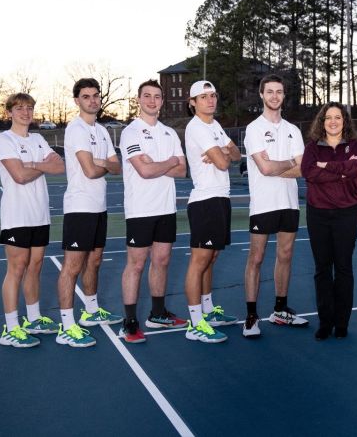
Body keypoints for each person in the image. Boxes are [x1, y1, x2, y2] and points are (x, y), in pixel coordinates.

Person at [0, 93, 64, 347]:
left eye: (30, 108)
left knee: (35, 266)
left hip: (39, 214)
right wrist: (40, 164)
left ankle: (33, 319)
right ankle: (11, 328)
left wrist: (32, 163)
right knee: (17, 268)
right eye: (19, 108)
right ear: (9, 112)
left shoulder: (38, 138)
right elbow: (19, 176)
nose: (25, 112)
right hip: (16, 215)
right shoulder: (3, 140)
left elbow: (59, 167)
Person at [118, 79, 187, 343]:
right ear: (139, 100)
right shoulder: (131, 133)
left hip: (166, 207)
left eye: (157, 96)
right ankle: (130, 322)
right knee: (136, 264)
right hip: (140, 209)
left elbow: (182, 171)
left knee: (162, 261)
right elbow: (144, 171)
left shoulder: (169, 133)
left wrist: (161, 163)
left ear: (162, 101)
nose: (152, 100)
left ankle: (157, 314)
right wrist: (169, 161)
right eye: (147, 96)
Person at [55, 78, 123, 348]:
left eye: (96, 96)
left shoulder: (103, 131)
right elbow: (91, 171)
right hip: (79, 207)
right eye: (86, 96)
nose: (92, 100)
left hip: (99, 205)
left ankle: (91, 311)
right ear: (77, 100)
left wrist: (102, 162)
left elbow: (117, 167)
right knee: (72, 266)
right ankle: (66, 326)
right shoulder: (76, 129)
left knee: (94, 260)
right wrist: (103, 163)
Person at [242, 74, 307, 338]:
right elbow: (265, 168)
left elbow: (302, 169)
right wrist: (288, 163)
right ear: (261, 94)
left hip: (289, 203)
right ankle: (251, 316)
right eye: (270, 92)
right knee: (256, 258)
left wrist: (281, 166)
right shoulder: (254, 129)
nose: (274, 96)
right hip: (263, 204)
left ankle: (280, 310)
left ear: (283, 95)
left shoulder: (293, 130)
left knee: (286, 255)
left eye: (279, 92)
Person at [183, 80, 241, 344]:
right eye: (204, 97)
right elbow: (221, 162)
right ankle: (195, 323)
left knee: (212, 257)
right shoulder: (196, 127)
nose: (210, 100)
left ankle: (208, 311)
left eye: (213, 95)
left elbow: (236, 155)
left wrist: (224, 152)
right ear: (193, 103)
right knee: (199, 261)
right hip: (205, 200)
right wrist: (222, 154)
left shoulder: (215, 126)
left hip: (220, 197)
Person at [301, 103, 357, 340]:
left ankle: (342, 323)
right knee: (322, 269)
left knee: (344, 267)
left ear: (344, 121)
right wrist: (341, 172)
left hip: (347, 213)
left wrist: (326, 167)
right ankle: (325, 322)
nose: (333, 121)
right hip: (318, 213)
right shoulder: (312, 147)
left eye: (338, 117)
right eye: (328, 118)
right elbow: (309, 172)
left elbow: (356, 167)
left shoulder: (355, 145)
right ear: (322, 121)